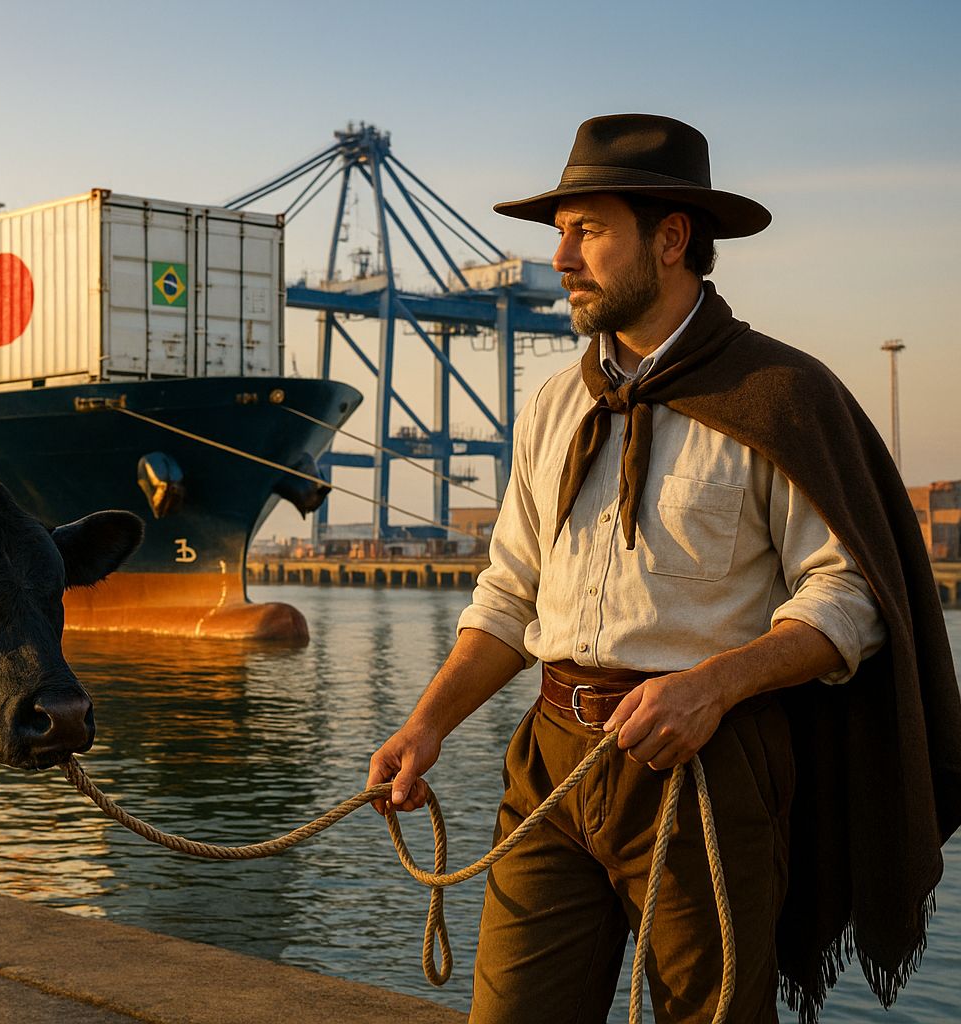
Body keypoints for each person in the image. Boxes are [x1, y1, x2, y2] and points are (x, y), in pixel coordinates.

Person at [366, 113, 961, 1023]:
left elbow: (851, 596)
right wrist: (428, 725)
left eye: (588, 231)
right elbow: (509, 593)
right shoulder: (557, 403)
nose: (560, 258)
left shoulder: (780, 397)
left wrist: (714, 687)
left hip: (706, 772)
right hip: (551, 764)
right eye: (560, 233)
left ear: (672, 237)